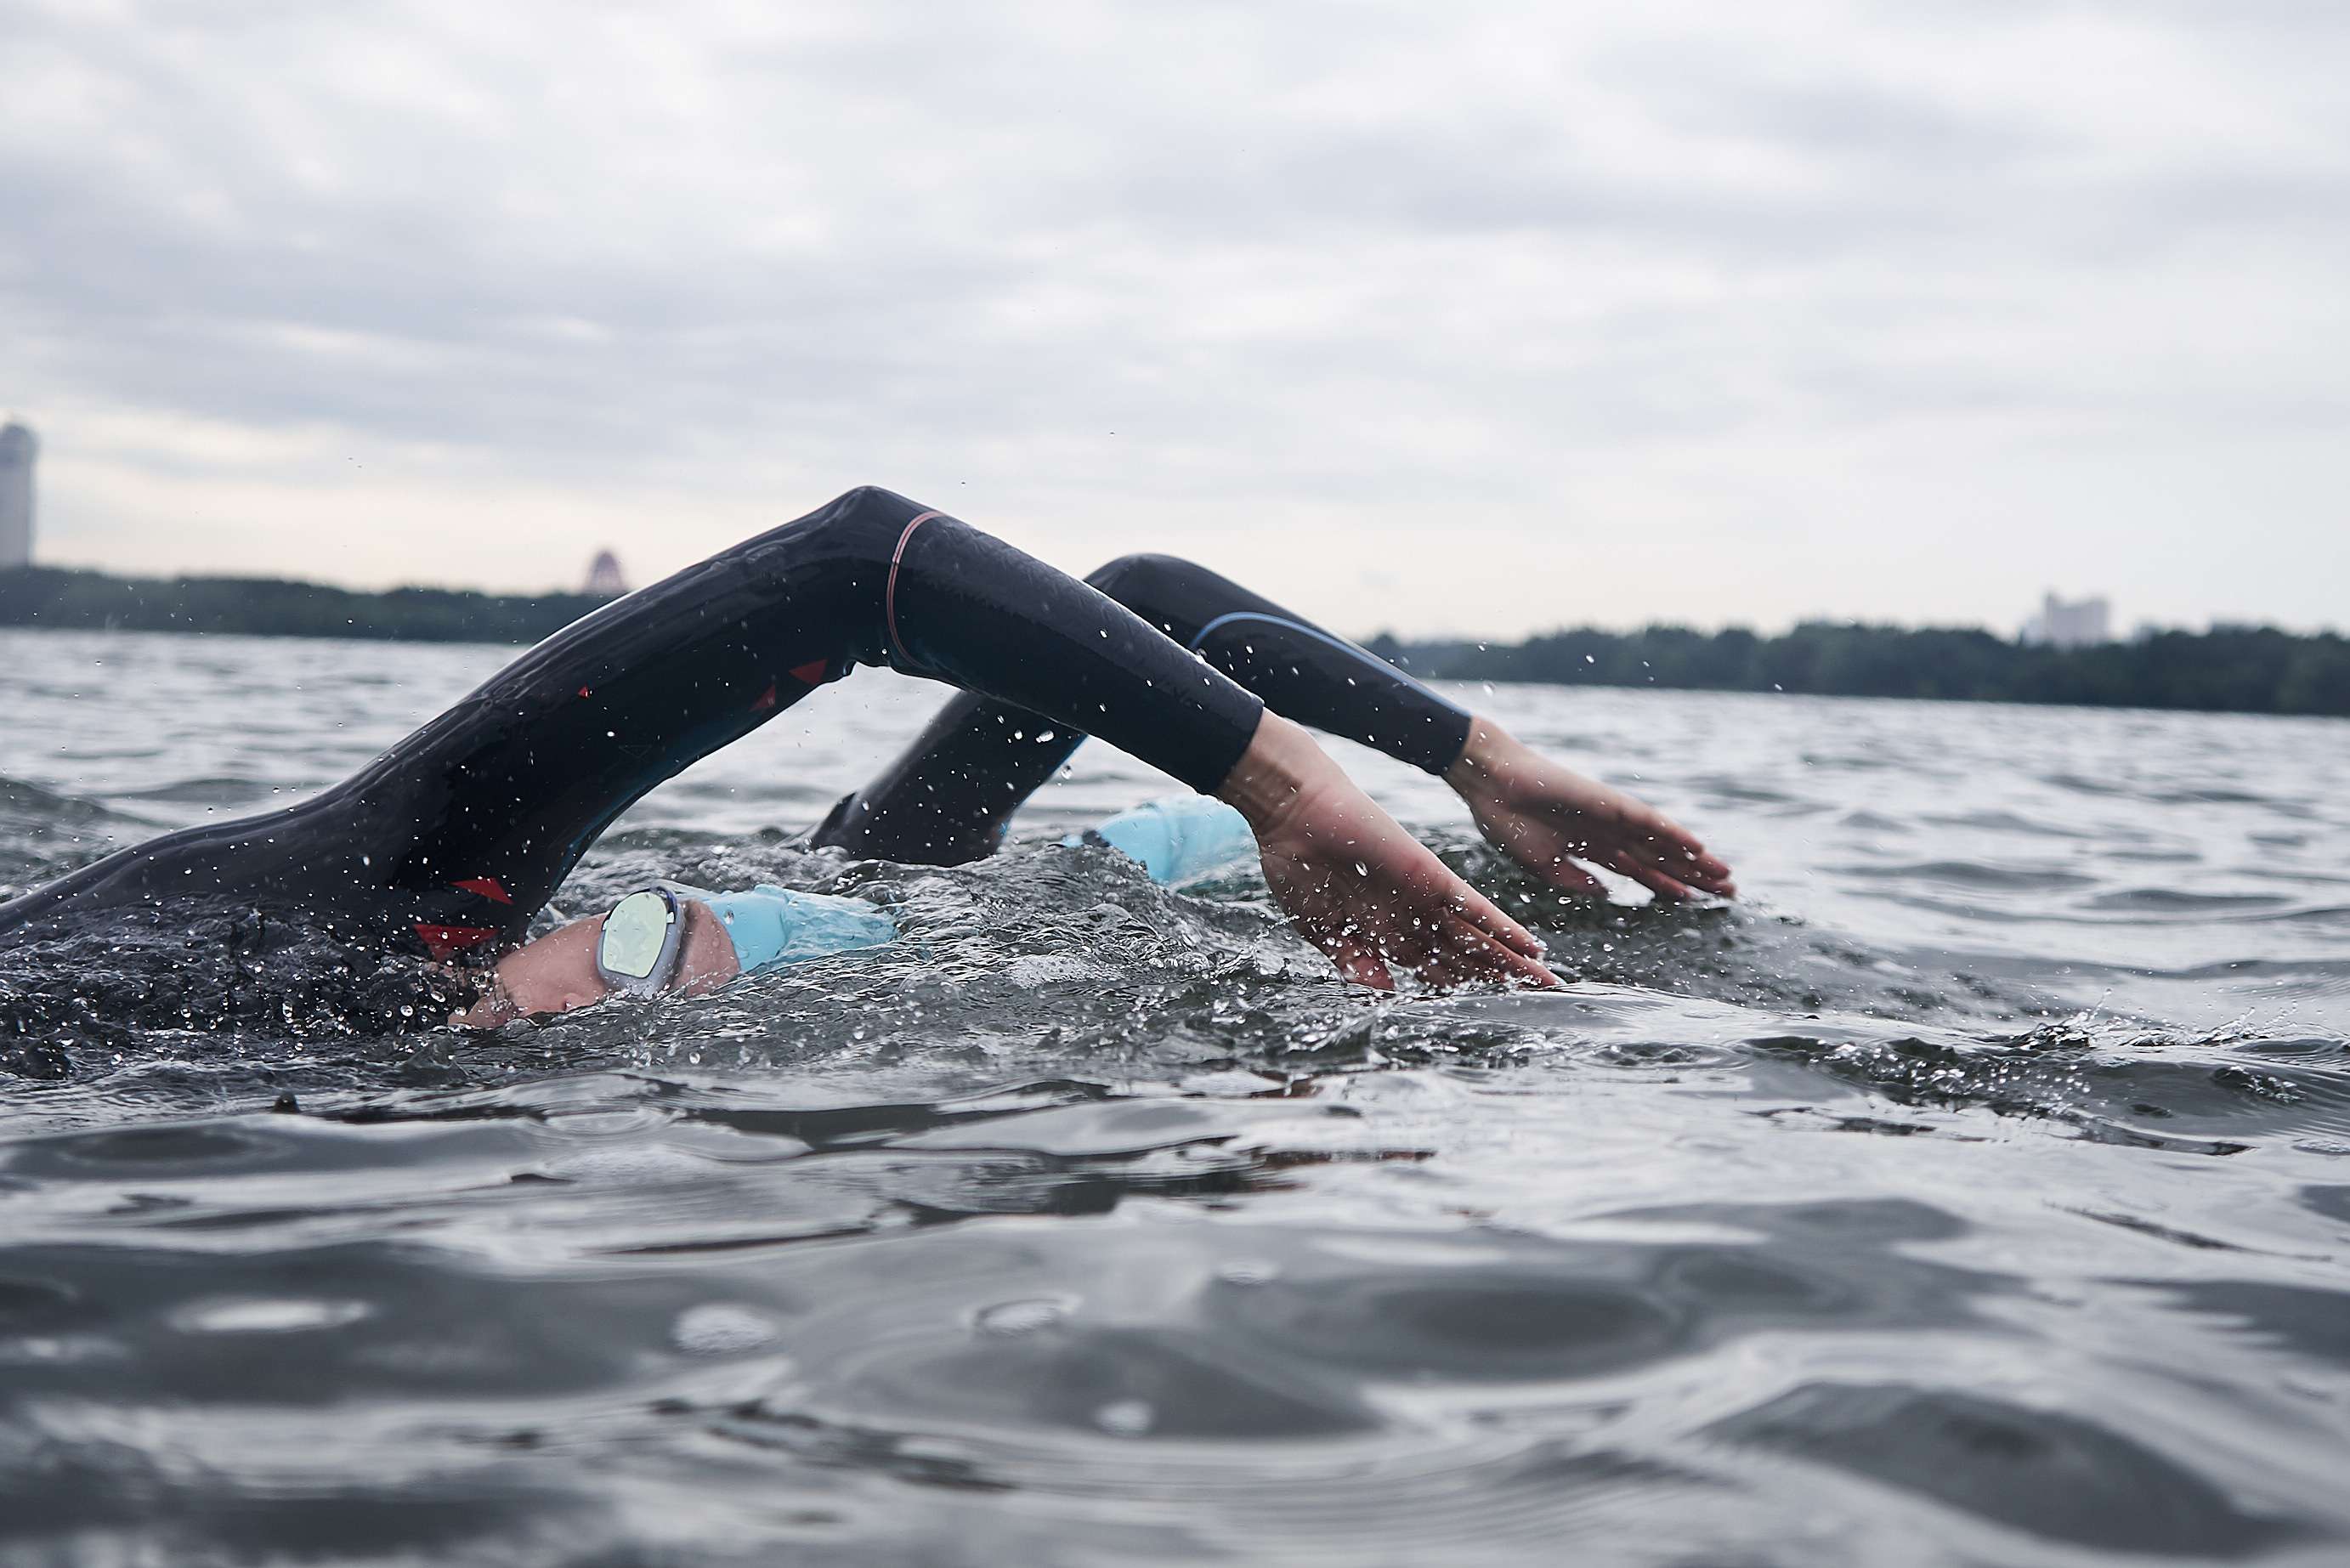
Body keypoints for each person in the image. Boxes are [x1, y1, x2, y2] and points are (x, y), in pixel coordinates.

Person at [0, 488, 1731, 1027]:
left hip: (874, 890)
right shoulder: (322, 960)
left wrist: (1437, 755)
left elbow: (892, 564)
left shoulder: (338, 909)